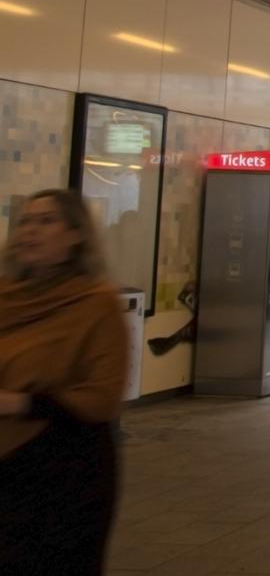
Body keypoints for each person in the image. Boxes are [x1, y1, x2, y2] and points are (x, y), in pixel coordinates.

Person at [0, 189, 129, 574]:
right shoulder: (5, 298)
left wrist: (20, 403)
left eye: (46, 221)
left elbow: (103, 395)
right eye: (26, 221)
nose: (31, 231)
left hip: (65, 471)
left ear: (76, 235)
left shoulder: (96, 303)